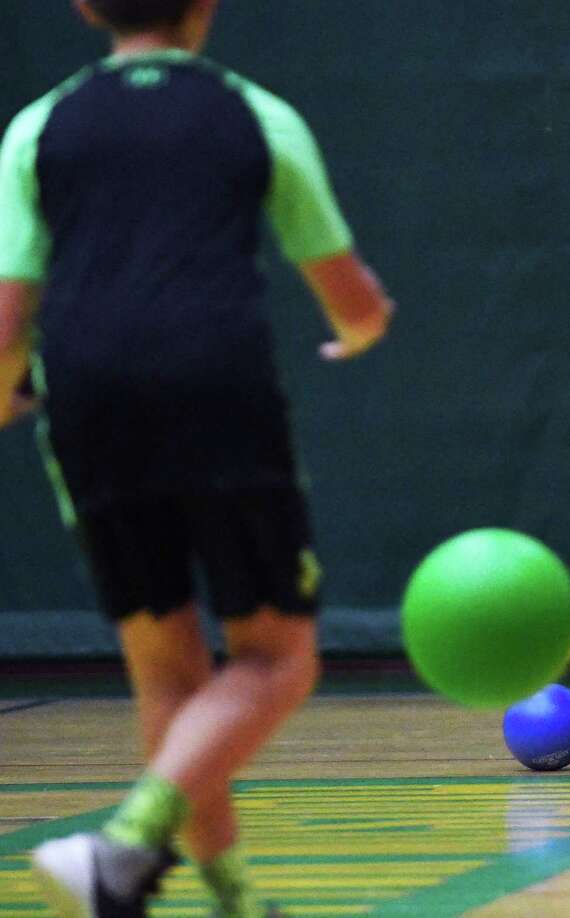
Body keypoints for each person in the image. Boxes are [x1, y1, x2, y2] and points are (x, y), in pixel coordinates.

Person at [0, 1, 394, 914]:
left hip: (88, 404)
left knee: (166, 669)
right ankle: (124, 846)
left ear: (85, 5)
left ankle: (231, 900)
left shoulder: (37, 127)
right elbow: (352, 298)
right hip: (218, 393)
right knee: (279, 658)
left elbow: (9, 320)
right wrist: (359, 331)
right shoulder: (255, 113)